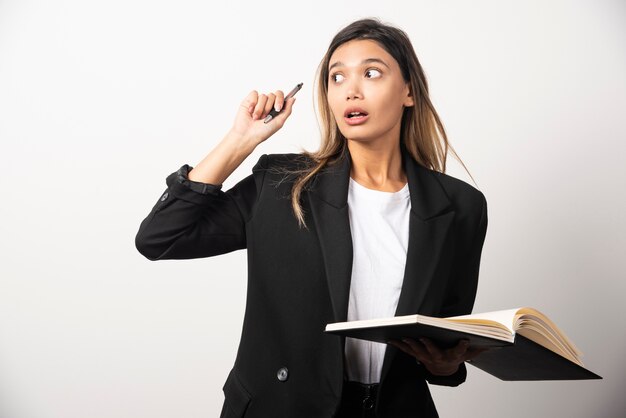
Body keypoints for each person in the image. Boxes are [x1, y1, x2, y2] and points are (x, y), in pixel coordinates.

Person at [135, 17, 488, 418]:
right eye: (336, 78)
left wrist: (447, 366)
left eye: (371, 73)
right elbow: (159, 238)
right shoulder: (283, 185)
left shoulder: (461, 207)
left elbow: (445, 338)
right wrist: (241, 141)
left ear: (408, 90)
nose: (351, 90)